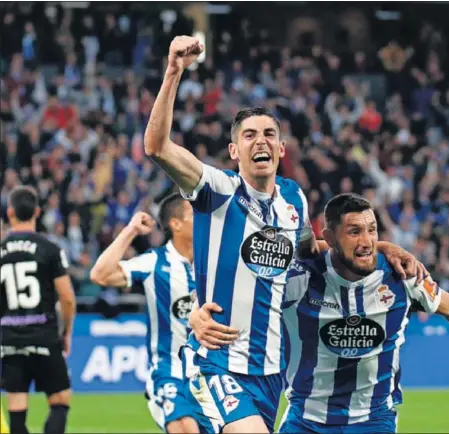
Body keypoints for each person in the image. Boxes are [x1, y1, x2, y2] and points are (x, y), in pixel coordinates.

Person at [145, 35, 425, 433]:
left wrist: (379, 246)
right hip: (219, 360)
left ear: (280, 148)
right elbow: (157, 147)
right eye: (249, 135)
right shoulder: (217, 190)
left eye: (269, 134)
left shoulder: (293, 200)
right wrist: (173, 72)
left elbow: (313, 253)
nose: (260, 140)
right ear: (233, 151)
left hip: (273, 369)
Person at [191, 193, 449, 434]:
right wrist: (196, 312)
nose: (367, 240)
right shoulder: (300, 278)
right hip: (306, 420)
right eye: (354, 231)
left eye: (372, 230)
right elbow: (238, 291)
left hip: (374, 420)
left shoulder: (402, 275)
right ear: (329, 237)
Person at [90, 193, 201, 434]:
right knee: (185, 427)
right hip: (169, 370)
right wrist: (130, 230)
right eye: (193, 214)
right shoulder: (154, 262)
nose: (201, 218)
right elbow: (100, 274)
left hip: (210, 372)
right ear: (176, 224)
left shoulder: (211, 261)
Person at [1, 186, 76, 434]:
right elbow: (66, 298)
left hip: (9, 338)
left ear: (9, 213)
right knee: (60, 400)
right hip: (44, 335)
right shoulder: (49, 249)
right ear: (37, 212)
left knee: (17, 409)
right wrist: (65, 332)